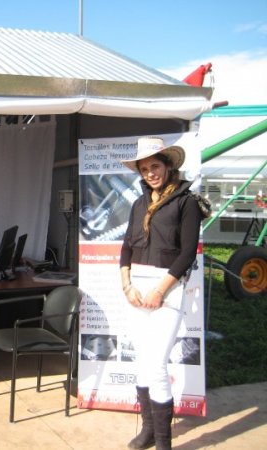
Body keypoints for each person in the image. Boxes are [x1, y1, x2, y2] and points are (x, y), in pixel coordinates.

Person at [119, 137, 205, 450]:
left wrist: (160, 289)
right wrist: (126, 284)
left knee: (155, 364)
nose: (151, 173)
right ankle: (149, 431)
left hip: (166, 289)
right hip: (136, 289)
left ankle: (164, 443)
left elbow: (187, 254)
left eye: (155, 166)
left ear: (168, 166)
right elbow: (126, 247)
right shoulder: (138, 204)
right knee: (143, 361)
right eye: (145, 168)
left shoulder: (187, 201)